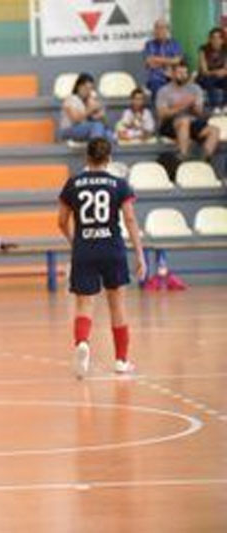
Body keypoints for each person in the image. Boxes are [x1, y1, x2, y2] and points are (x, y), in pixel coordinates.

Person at [57, 138, 146, 378]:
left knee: (84, 304)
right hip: (112, 248)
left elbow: (61, 221)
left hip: (84, 249)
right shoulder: (119, 184)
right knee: (117, 306)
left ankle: (83, 343)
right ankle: (121, 360)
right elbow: (129, 220)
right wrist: (139, 254)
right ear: (109, 159)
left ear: (87, 158)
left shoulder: (73, 184)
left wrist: (75, 241)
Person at [157, 62, 220, 162]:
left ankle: (204, 159)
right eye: (179, 73)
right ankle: (183, 157)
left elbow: (199, 112)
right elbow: (162, 114)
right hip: (170, 123)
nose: (183, 76)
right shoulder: (164, 91)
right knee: (184, 121)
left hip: (192, 121)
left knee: (214, 130)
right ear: (173, 74)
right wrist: (183, 105)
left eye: (185, 73)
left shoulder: (195, 88)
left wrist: (193, 106)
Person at [59, 73, 113, 143]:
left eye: (90, 89)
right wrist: (91, 109)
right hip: (68, 130)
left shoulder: (88, 101)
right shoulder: (71, 99)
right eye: (86, 88)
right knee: (96, 126)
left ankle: (105, 153)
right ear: (78, 87)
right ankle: (95, 152)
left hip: (85, 129)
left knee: (108, 133)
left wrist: (101, 115)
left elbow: (104, 123)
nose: (88, 91)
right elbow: (76, 118)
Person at [143, 19, 183, 103]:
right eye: (156, 28)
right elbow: (149, 62)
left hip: (173, 76)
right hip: (156, 78)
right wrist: (169, 61)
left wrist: (157, 60)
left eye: (162, 28)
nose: (159, 31)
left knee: (182, 85)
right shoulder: (149, 44)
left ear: (167, 30)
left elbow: (177, 61)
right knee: (156, 85)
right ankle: (159, 114)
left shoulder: (174, 44)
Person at [197, 27, 227, 114]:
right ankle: (215, 106)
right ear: (209, 39)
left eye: (218, 37)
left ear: (222, 40)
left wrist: (223, 72)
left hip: (221, 76)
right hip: (206, 76)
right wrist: (216, 72)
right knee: (209, 80)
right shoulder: (203, 49)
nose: (216, 40)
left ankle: (225, 105)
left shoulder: (226, 49)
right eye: (213, 37)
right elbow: (204, 70)